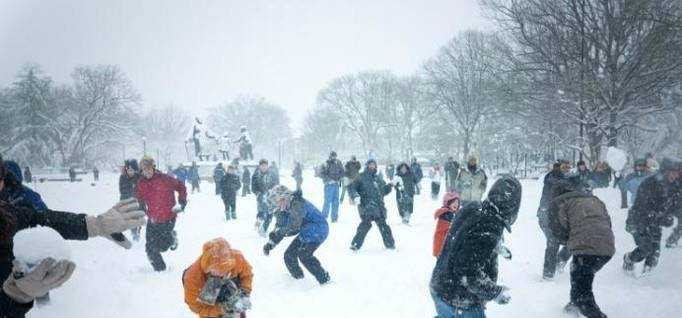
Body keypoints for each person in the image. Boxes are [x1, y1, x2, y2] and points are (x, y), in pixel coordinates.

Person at [1, 155, 146, 317]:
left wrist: (95, 224)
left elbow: (44, 219)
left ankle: (43, 299)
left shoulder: (10, 213)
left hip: (22, 255)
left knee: (35, 277)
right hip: (20, 258)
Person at [430, 176, 522, 318]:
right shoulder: (490, 225)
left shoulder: (474, 207)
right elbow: (467, 273)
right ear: (514, 206)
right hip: (458, 299)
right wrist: (494, 292)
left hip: (441, 285)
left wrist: (494, 246)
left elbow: (464, 238)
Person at [548, 177, 615, 318]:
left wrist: (569, 240)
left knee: (583, 293)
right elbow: (607, 222)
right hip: (607, 248)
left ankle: (591, 311)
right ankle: (573, 304)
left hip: (586, 249)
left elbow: (558, 231)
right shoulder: (593, 199)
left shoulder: (560, 203)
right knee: (578, 273)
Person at [263, 186, 331, 285]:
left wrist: (281, 232)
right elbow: (280, 227)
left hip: (318, 229)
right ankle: (299, 279)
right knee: (289, 255)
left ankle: (324, 279)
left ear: (285, 197)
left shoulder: (297, 203)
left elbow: (293, 226)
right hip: (306, 231)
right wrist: (271, 243)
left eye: (278, 202)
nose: (277, 205)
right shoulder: (283, 209)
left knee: (304, 254)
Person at [623, 158, 681, 275]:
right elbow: (641, 205)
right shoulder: (650, 183)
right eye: (672, 172)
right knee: (646, 249)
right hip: (639, 221)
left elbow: (677, 205)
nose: (675, 175)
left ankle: (646, 278)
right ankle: (629, 258)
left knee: (654, 254)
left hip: (656, 223)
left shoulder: (675, 187)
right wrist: (659, 216)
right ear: (665, 171)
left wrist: (670, 216)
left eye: (677, 173)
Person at [136, 156, 188, 272]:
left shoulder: (165, 179)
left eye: (149, 168)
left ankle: (172, 238)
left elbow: (181, 186)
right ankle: (160, 270)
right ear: (141, 171)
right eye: (145, 169)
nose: (147, 171)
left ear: (154, 168)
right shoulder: (141, 183)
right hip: (153, 219)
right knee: (150, 247)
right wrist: (141, 207)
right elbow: (139, 197)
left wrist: (182, 201)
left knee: (163, 246)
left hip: (168, 217)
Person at [182, 238, 252, 318]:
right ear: (208, 268)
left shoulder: (237, 258)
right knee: (214, 285)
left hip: (232, 290)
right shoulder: (192, 277)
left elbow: (247, 275)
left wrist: (245, 291)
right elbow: (197, 307)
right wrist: (221, 309)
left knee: (237, 307)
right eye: (218, 271)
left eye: (225, 270)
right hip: (208, 300)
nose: (222, 274)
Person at [348, 159, 395, 251]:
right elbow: (351, 188)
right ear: (367, 166)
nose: (372, 166)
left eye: (374, 165)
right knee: (365, 225)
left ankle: (390, 245)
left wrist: (390, 185)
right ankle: (355, 244)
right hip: (366, 206)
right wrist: (355, 196)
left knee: (384, 226)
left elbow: (383, 191)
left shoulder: (378, 179)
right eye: (370, 165)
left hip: (379, 207)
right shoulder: (360, 177)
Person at [538, 160, 572, 280]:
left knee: (573, 240)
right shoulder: (552, 178)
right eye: (564, 167)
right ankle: (548, 273)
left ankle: (560, 260)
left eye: (568, 167)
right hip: (546, 214)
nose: (567, 169)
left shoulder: (568, 180)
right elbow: (555, 182)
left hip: (561, 216)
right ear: (557, 168)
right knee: (553, 241)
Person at [252, 159, 278, 236]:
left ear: (267, 166)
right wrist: (258, 193)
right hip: (261, 197)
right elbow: (253, 187)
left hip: (271, 197)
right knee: (262, 212)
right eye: (262, 166)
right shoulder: (256, 175)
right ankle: (258, 221)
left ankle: (263, 229)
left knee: (270, 214)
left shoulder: (272, 174)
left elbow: (277, 185)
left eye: (265, 165)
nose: (263, 167)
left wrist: (273, 191)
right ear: (259, 166)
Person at [119, 159, 142, 241]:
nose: (130, 172)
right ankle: (134, 232)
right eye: (129, 170)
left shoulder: (139, 177)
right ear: (126, 170)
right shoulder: (122, 177)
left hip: (139, 201)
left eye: (132, 170)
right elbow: (122, 190)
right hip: (127, 201)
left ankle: (137, 231)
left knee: (138, 217)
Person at [319, 151, 345, 223]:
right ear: (330, 156)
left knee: (336, 202)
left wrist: (339, 178)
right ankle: (324, 217)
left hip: (336, 185)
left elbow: (343, 172)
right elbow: (321, 173)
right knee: (327, 201)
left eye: (335, 156)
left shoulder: (339, 163)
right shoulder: (326, 163)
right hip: (329, 185)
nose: (334, 158)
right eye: (333, 156)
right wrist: (329, 180)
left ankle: (334, 218)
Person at [433, 192, 460, 257]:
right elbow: (446, 232)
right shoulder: (447, 215)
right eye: (454, 202)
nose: (456, 204)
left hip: (443, 248)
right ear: (448, 203)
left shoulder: (450, 213)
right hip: (443, 248)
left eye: (457, 203)